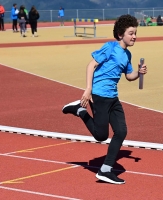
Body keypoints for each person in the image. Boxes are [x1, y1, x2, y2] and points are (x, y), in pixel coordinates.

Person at [62, 14, 147, 184]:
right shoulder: (110, 47)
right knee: (101, 136)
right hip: (99, 96)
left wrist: (139, 73)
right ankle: (79, 110)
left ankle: (105, 170)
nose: (134, 36)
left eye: (135, 33)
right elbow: (91, 65)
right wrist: (88, 89)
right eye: (131, 33)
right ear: (121, 34)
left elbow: (129, 76)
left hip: (113, 98)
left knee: (121, 131)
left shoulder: (127, 55)